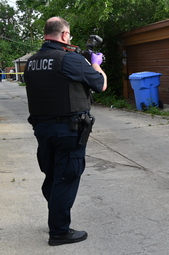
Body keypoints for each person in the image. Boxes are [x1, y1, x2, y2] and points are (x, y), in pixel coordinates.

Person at [24, 16, 107, 246]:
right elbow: (100, 84)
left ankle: (55, 217)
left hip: (42, 130)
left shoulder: (31, 62)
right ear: (63, 35)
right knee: (66, 176)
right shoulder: (68, 59)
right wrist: (95, 63)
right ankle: (59, 231)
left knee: (52, 176)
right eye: (68, 35)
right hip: (68, 131)